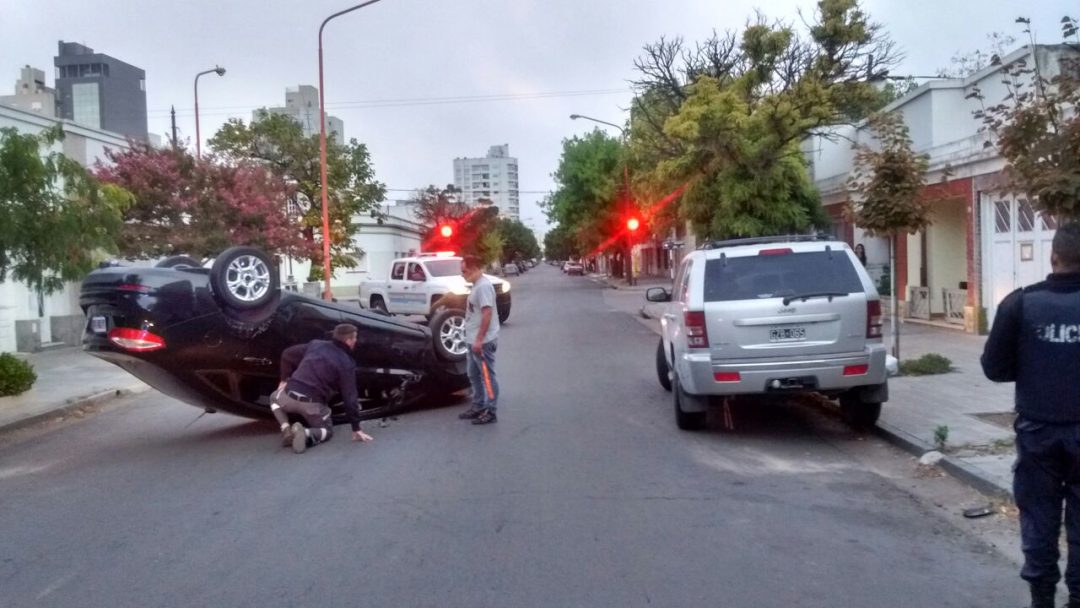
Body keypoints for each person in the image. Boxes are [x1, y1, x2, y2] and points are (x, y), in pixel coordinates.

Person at [981, 221, 1080, 608]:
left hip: (1038, 432)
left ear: (1053, 257)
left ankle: (1042, 599)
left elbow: (994, 368)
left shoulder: (1020, 304)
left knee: (1039, 518)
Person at [271, 323, 373, 453]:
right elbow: (350, 398)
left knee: (273, 398)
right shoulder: (346, 364)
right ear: (348, 341)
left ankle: (286, 428)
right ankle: (306, 433)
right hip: (311, 405)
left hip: (288, 397)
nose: (356, 341)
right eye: (354, 338)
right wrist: (356, 428)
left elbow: (286, 354)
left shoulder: (316, 345)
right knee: (327, 430)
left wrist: (284, 380)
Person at [457, 254, 500, 425]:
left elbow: (487, 313)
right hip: (472, 340)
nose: (462, 274)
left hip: (482, 342)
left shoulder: (483, 287)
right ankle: (478, 405)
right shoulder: (476, 285)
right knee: (473, 374)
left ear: (474, 269)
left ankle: (491, 410)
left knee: (487, 377)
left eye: (464, 271)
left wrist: (479, 340)